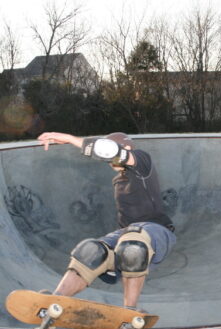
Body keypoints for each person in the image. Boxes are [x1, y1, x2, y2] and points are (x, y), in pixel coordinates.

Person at [37, 131, 176, 309]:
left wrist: (70, 139)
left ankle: (130, 310)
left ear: (126, 149)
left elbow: (111, 151)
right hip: (127, 233)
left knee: (133, 244)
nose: (110, 162)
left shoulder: (142, 162)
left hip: (157, 231)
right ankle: (55, 302)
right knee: (90, 250)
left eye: (112, 157)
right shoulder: (119, 180)